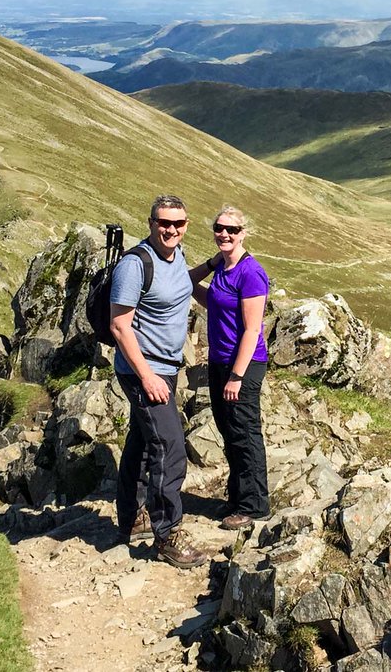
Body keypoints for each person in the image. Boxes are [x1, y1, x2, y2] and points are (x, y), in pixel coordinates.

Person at [110, 194, 216, 568]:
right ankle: (167, 533)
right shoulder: (134, 265)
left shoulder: (176, 256)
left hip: (166, 369)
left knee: (142, 442)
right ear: (151, 222)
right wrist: (147, 376)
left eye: (179, 223)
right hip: (145, 371)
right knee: (170, 448)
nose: (171, 229)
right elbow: (120, 326)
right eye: (164, 223)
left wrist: (213, 265)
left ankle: (131, 519)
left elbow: (181, 284)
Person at [192, 205, 271, 531]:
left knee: (244, 433)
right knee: (228, 431)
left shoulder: (250, 273)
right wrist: (212, 262)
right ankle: (238, 498)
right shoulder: (224, 269)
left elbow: (252, 331)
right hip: (219, 361)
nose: (224, 234)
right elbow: (190, 286)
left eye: (232, 230)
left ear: (244, 233)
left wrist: (237, 376)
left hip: (244, 364)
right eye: (219, 228)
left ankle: (255, 505)